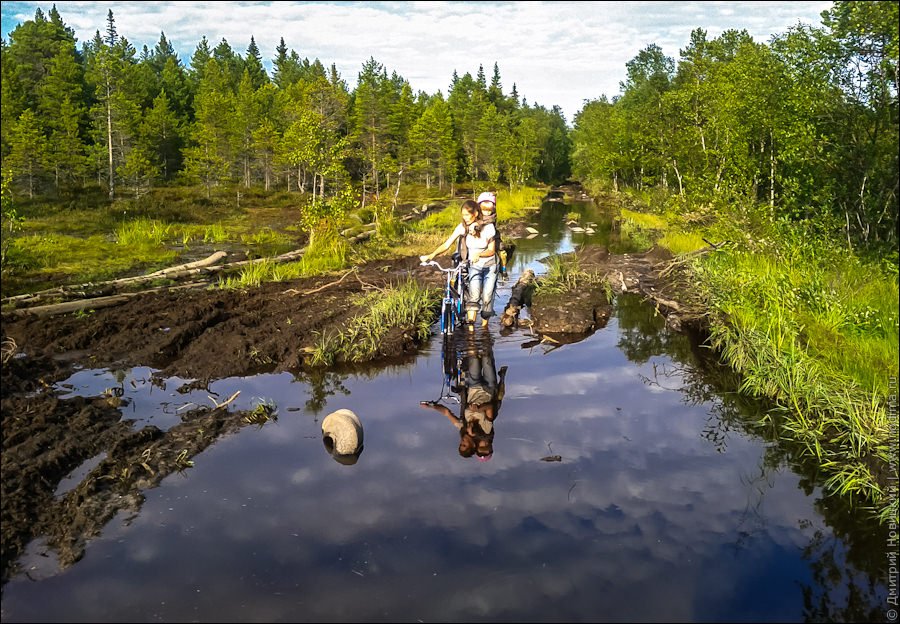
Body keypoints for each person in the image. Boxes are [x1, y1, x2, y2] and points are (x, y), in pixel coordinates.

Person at [420, 333, 507, 460]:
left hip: (473, 386)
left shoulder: (463, 427)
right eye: (464, 444)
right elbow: (491, 408)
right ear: (473, 445)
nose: (462, 441)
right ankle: (485, 330)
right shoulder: (485, 431)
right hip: (489, 388)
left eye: (460, 444)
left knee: (473, 355)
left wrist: (432, 406)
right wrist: (479, 409)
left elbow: (446, 413)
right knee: (486, 357)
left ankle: (471, 330)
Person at [419, 200, 497, 326]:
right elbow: (446, 244)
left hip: (490, 266)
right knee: (474, 297)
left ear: (476, 213)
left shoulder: (488, 227)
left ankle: (484, 328)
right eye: (463, 215)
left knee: (487, 298)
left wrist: (479, 254)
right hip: (474, 266)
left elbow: (491, 251)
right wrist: (431, 255)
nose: (465, 218)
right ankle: (471, 332)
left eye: (467, 215)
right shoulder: (462, 228)